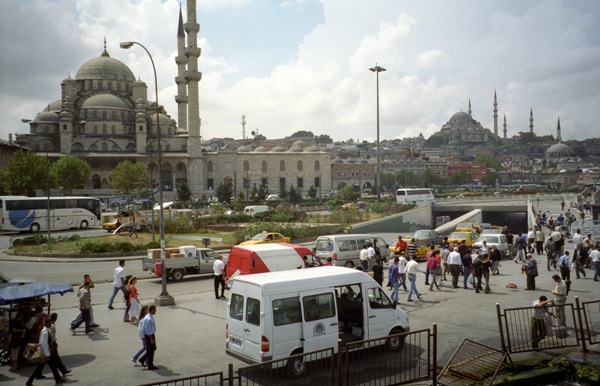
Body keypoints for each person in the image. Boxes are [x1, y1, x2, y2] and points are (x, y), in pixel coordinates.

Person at [26, 319, 65, 385]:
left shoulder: (45, 330)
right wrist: (47, 354)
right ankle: (58, 379)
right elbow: (44, 344)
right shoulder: (45, 332)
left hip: (45, 352)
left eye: (51, 323)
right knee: (51, 366)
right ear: (45, 324)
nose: (50, 325)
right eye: (49, 323)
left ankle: (30, 381)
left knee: (45, 367)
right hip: (46, 352)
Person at [49, 313, 71, 377]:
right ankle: (63, 371)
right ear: (55, 318)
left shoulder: (51, 324)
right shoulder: (52, 325)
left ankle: (63, 370)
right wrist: (54, 342)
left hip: (51, 343)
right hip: (52, 344)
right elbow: (52, 336)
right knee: (56, 358)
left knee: (55, 358)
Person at [138, 305, 158, 370]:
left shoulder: (148, 316)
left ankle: (143, 360)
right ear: (152, 310)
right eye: (155, 309)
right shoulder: (149, 319)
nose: (156, 311)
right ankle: (149, 364)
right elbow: (148, 330)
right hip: (150, 335)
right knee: (152, 349)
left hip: (149, 335)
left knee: (152, 349)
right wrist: (151, 339)